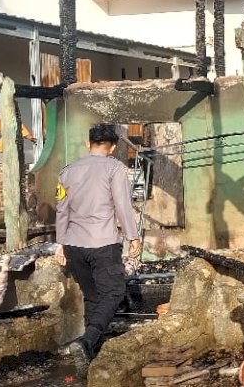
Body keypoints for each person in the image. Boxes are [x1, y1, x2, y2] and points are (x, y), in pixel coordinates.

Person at [54, 124, 142, 363]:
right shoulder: (115, 169)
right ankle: (86, 340)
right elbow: (122, 205)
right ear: (112, 147)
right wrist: (133, 236)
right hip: (103, 242)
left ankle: (89, 355)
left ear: (88, 144)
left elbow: (62, 210)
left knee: (92, 296)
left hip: (74, 244)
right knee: (114, 291)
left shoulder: (67, 172)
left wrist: (60, 244)